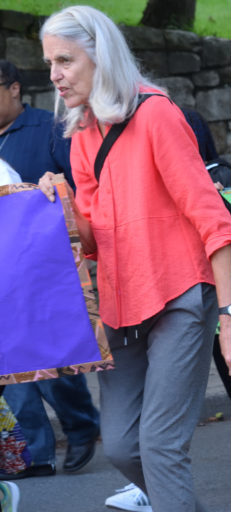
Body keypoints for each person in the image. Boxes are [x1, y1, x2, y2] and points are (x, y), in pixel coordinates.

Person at [37, 6, 231, 511]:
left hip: (182, 293)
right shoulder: (81, 132)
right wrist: (59, 205)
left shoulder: (157, 113)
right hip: (123, 303)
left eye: (65, 60)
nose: (54, 75)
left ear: (100, 56)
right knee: (122, 447)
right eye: (49, 62)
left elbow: (215, 221)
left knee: (161, 446)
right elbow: (95, 237)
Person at [0, 59, 101, 480]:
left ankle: (80, 425)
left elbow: (77, 184)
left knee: (53, 361)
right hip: (4, 275)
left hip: (45, 268)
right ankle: (37, 453)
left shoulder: (49, 128)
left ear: (14, 89)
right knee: (10, 365)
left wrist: (53, 184)